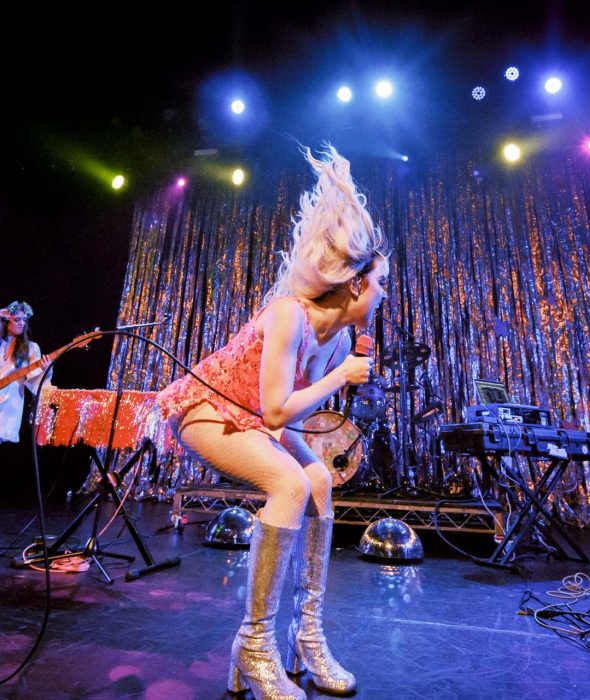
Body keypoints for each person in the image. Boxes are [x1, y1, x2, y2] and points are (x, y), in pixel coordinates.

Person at [157, 145, 388, 699]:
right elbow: (278, 410)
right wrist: (341, 379)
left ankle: (306, 636)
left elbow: (290, 416)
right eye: (381, 282)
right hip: (206, 408)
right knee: (288, 484)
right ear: (356, 284)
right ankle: (256, 644)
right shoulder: (288, 315)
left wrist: (338, 378)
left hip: (258, 422)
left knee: (318, 480)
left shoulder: (337, 343)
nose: (384, 294)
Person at [0, 301, 52, 444]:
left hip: (9, 405)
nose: (22, 323)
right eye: (17, 319)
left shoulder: (30, 348)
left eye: (24, 319)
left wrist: (45, 370)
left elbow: (34, 381)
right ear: (6, 321)